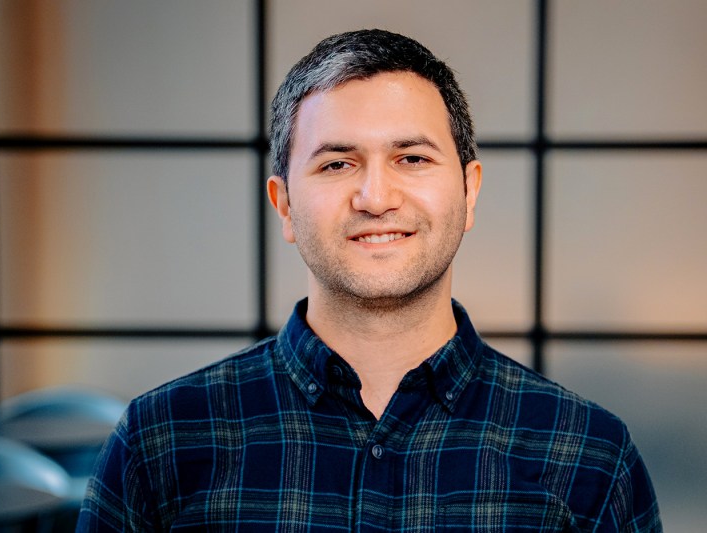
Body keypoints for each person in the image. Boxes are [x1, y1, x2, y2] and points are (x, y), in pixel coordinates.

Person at [77, 29, 661, 532]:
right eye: (337, 163)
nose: (376, 198)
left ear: (469, 189)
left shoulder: (589, 456)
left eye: (412, 158)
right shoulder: (162, 442)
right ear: (283, 205)